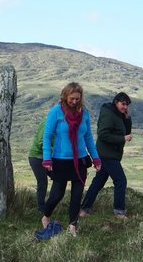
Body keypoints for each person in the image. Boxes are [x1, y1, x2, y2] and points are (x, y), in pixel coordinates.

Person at [40, 82, 101, 237]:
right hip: (60, 160)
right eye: (72, 99)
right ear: (65, 96)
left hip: (80, 160)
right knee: (57, 195)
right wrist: (47, 158)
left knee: (77, 194)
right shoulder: (56, 112)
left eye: (77, 99)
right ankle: (46, 215)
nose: (74, 102)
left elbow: (88, 137)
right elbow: (47, 136)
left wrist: (96, 158)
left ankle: (72, 226)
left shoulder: (84, 114)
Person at [80, 92, 132, 219]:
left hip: (110, 154)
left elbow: (127, 131)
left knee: (98, 182)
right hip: (106, 154)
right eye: (123, 104)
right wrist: (122, 138)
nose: (125, 107)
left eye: (127, 105)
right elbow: (103, 134)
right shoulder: (109, 114)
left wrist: (127, 118)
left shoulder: (119, 115)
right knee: (120, 180)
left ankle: (83, 210)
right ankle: (119, 212)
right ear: (116, 102)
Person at [28, 117, 53, 212]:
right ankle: (41, 208)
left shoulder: (56, 123)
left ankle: (51, 203)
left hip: (47, 157)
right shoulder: (47, 123)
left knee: (58, 177)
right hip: (37, 157)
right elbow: (41, 142)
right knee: (42, 182)